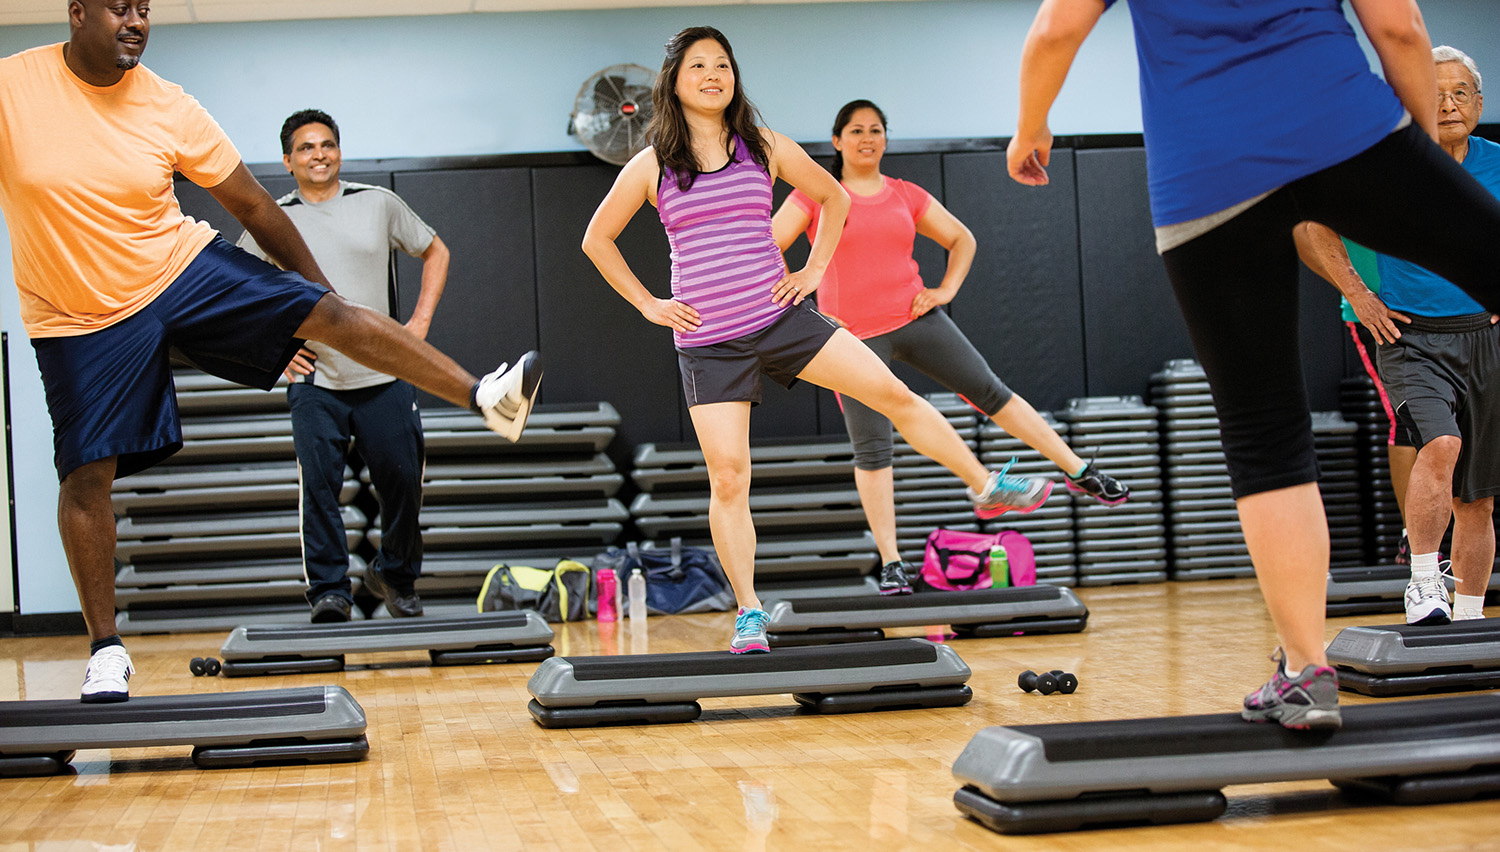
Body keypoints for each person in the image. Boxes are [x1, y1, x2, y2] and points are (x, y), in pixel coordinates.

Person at [0, 0, 543, 702]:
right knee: (84, 474)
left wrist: (325, 303)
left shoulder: (167, 104)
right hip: (77, 316)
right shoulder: (15, 88)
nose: (135, 20)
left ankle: (484, 397)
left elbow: (254, 206)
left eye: (144, 8)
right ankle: (106, 652)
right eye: (118, 7)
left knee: (333, 313)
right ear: (77, 13)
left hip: (174, 270)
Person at [1009, 0, 1500, 729]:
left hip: (1206, 174)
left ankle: (1305, 671)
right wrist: (1416, 159)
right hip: (1348, 131)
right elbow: (1399, 28)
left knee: (1264, 433)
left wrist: (1031, 126)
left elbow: (1054, 31)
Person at [582, 26, 1047, 653]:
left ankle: (984, 485)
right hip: (710, 341)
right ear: (674, 82)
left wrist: (813, 270)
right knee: (729, 478)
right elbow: (597, 239)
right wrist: (649, 304)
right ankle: (749, 612)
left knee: (894, 394)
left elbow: (832, 197)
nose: (714, 75)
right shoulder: (652, 165)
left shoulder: (764, 145)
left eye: (723, 65)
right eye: (698, 66)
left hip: (783, 318)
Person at [771, 100, 1129, 594]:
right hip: (853, 337)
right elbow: (768, 246)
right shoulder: (816, 195)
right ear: (837, 141)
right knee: (872, 447)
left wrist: (945, 290)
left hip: (916, 319)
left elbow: (962, 239)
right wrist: (807, 306)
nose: (867, 139)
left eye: (875, 130)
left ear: (885, 139)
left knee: (991, 391)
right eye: (856, 131)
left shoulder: (905, 194)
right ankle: (892, 563)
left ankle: (1079, 470)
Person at [1295, 45, 1496, 624]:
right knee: (1440, 444)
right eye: (1436, 94)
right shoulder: (1387, 162)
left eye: (1460, 93)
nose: (1449, 104)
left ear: (1479, 103)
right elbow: (1314, 222)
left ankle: (1469, 618)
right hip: (1410, 335)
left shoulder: (1496, 164)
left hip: (1483, 337)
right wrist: (1358, 294)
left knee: (1478, 497)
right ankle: (1424, 580)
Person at [238, 109, 447, 623]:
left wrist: (418, 323)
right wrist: (274, 353)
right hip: (317, 380)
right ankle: (330, 592)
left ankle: (395, 575)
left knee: (404, 481)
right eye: (306, 148)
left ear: (338, 151)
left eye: (327, 144)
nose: (319, 155)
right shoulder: (273, 219)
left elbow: (436, 251)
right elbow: (238, 288)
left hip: (386, 374)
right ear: (288, 161)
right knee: (319, 491)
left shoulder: (378, 203)